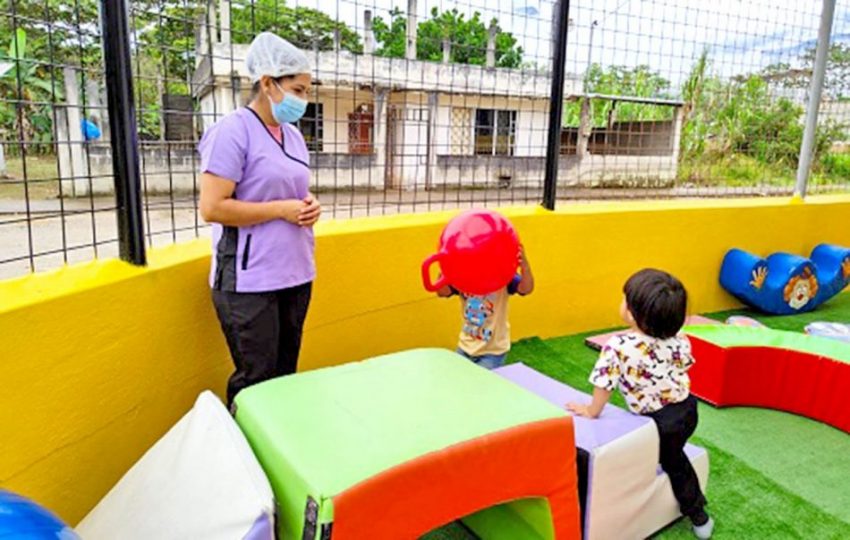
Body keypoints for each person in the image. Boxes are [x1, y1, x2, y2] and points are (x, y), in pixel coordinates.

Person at [198, 32, 321, 407]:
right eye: (297, 89)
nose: (303, 99)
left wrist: (308, 204)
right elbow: (213, 207)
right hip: (249, 282)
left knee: (285, 377)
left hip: (295, 274)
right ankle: (241, 457)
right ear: (267, 83)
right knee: (256, 381)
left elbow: (288, 188)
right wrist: (281, 210)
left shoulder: (294, 136)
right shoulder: (232, 132)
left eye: (306, 91)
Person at [567, 269, 714, 539]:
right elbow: (682, 367)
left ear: (633, 314)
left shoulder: (618, 346)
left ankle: (698, 513)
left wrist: (591, 411)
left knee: (674, 462)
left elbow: (604, 385)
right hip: (688, 410)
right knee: (670, 452)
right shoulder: (680, 339)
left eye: (625, 298)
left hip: (661, 424)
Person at [437, 245, 534, 369]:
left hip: (492, 351)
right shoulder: (463, 274)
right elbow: (442, 292)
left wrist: (524, 265)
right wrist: (444, 268)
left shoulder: (502, 275)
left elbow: (526, 288)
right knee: (457, 382)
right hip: (465, 345)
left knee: (480, 386)